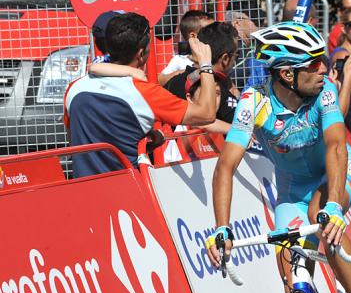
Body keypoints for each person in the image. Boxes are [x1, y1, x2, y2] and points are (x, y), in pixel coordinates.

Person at [206, 21, 351, 293]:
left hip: (338, 174)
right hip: (292, 193)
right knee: (294, 282)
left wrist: (334, 205)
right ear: (287, 74)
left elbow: (336, 146)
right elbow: (226, 166)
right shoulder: (254, 102)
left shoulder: (325, 91)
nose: (324, 69)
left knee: (322, 215)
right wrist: (221, 227)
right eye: (315, 63)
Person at [64, 12, 218, 178]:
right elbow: (206, 114)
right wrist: (205, 64)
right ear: (141, 53)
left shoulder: (74, 88)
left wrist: (142, 142)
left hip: (82, 188)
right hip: (128, 189)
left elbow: (78, 142)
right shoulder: (146, 93)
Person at [164, 22, 240, 128]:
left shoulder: (175, 81)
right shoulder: (221, 92)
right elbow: (243, 129)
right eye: (237, 55)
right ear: (225, 58)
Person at [158, 10, 215, 85]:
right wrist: (185, 73)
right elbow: (160, 80)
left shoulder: (216, 55)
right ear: (193, 36)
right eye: (210, 31)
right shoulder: (181, 59)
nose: (215, 34)